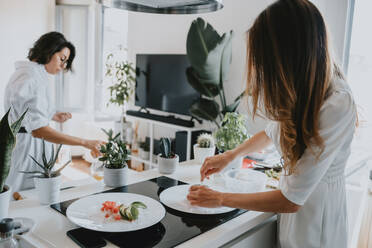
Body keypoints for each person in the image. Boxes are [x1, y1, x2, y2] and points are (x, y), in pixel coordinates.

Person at [187, 0, 357, 247]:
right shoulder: (307, 89)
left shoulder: (336, 104)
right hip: (296, 220)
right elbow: (272, 131)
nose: (265, 71)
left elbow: (291, 200)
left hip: (319, 226)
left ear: (291, 53)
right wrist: (230, 156)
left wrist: (220, 198)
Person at [4, 32, 105, 192]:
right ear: (48, 51)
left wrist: (51, 115)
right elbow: (37, 130)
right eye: (62, 59)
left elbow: (26, 112)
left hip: (29, 145)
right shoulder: (30, 78)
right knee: (23, 198)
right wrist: (86, 142)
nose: (64, 66)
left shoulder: (34, 74)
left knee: (32, 196)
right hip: (27, 149)